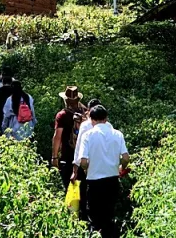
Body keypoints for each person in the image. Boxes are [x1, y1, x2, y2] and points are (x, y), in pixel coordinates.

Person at [79, 105, 129, 238]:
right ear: (106, 118)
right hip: (112, 181)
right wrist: (121, 168)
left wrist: (86, 169)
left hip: (94, 182)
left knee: (95, 218)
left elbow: (83, 161)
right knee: (109, 215)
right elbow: (125, 157)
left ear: (91, 119)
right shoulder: (117, 134)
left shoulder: (87, 135)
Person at [71, 98, 101, 222]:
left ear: (88, 110)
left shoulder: (85, 125)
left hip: (87, 165)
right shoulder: (107, 125)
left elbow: (78, 148)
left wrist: (75, 170)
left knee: (86, 193)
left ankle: (86, 220)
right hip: (101, 165)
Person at [52, 86, 87, 189]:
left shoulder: (62, 115)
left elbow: (57, 136)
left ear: (65, 100)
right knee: (84, 189)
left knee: (70, 188)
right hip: (84, 156)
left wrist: (54, 157)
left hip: (68, 156)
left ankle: (72, 205)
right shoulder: (86, 113)